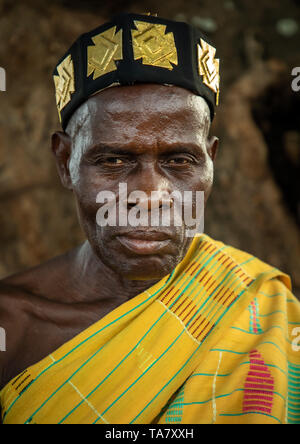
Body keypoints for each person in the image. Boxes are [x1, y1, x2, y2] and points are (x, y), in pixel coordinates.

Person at [0, 12, 299, 425]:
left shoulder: (264, 312)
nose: (149, 196)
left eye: (179, 160)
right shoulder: (10, 329)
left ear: (210, 162)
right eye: (114, 159)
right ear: (65, 162)